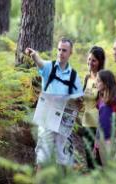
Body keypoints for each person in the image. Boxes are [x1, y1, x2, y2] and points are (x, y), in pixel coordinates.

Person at [25, 38, 83, 171]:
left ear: (70, 53)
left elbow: (79, 103)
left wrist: (78, 103)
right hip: (46, 120)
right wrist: (34, 55)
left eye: (64, 50)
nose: (61, 53)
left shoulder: (74, 76)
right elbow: (39, 62)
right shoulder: (49, 67)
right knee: (42, 156)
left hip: (63, 122)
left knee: (62, 157)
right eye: (59, 49)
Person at [80, 46, 105, 169]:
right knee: (89, 162)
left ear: (100, 62)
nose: (90, 62)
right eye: (89, 59)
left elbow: (103, 107)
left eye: (94, 60)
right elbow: (83, 100)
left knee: (97, 163)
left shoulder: (102, 79)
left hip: (97, 126)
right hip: (86, 124)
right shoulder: (87, 77)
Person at [94, 70, 116, 166]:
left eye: (98, 81)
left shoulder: (115, 101)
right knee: (105, 170)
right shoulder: (101, 100)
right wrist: (96, 144)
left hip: (110, 141)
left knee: (111, 169)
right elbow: (100, 123)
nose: (96, 83)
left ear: (106, 83)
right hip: (101, 141)